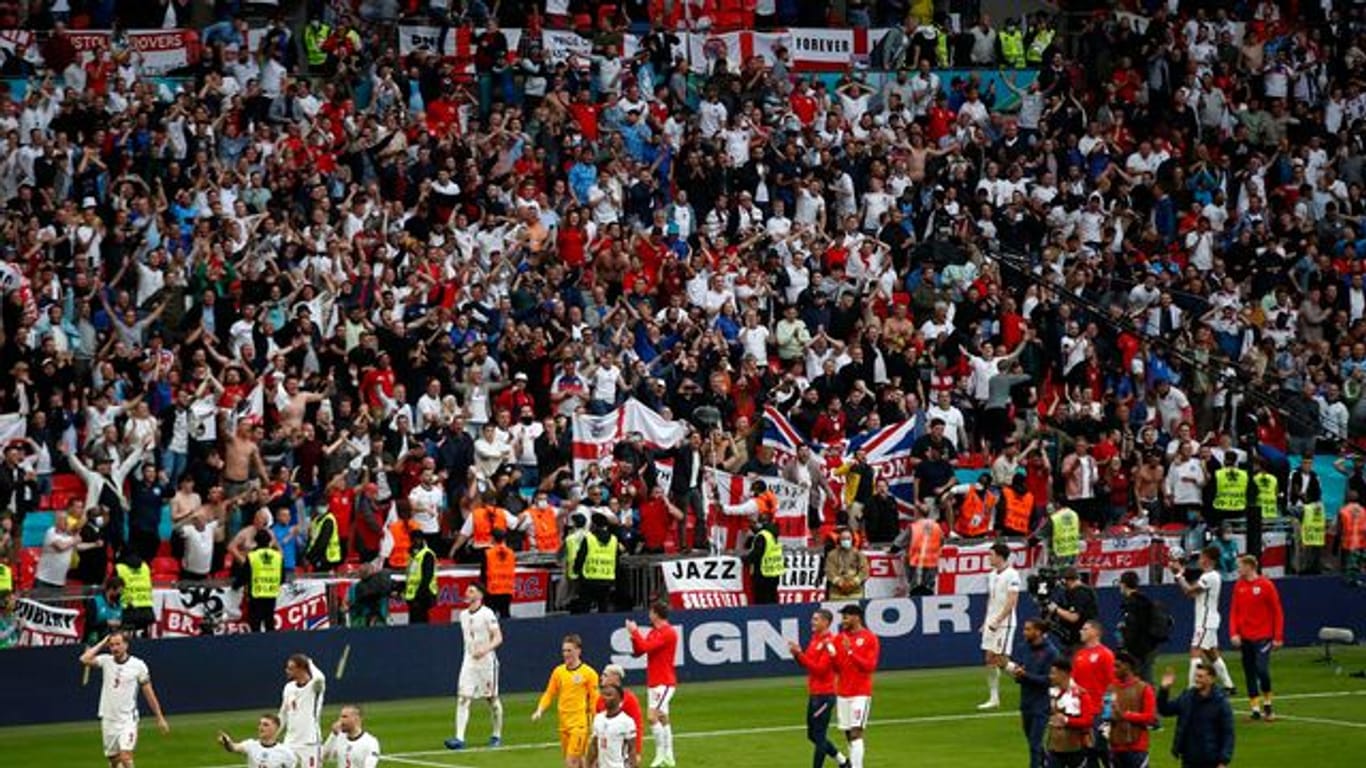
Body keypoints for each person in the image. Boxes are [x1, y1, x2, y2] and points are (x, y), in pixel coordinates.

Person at [79, 632, 170, 768]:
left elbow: (149, 693)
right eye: (111, 645)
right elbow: (84, 659)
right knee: (114, 760)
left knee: (126, 756)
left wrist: (159, 717)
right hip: (109, 718)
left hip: (128, 719)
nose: (114, 648)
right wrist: (103, 642)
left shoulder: (138, 665)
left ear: (126, 645)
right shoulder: (105, 661)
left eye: (118, 644)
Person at [788, 608, 850, 768]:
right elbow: (808, 664)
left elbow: (820, 670)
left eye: (816, 619)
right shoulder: (815, 639)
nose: (812, 622)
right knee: (812, 735)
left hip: (825, 695)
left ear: (825, 622)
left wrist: (800, 655)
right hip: (815, 694)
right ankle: (843, 762)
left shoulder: (831, 642)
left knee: (819, 735)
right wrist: (797, 654)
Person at [446, 583, 505, 750]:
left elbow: (498, 637)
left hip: (487, 663)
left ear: (480, 595)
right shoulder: (463, 615)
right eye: (467, 590)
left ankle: (496, 735)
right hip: (469, 662)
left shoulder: (487, 614)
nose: (467, 593)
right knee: (463, 697)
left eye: (471, 590)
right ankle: (459, 738)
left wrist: (485, 650)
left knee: (492, 699)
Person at [1171, 546, 1236, 692]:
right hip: (1208, 620)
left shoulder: (1209, 577)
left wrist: (1179, 575)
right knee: (1212, 653)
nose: (1199, 560)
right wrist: (1180, 574)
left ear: (1208, 559)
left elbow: (1189, 591)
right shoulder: (1210, 576)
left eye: (1201, 557)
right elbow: (1193, 594)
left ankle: (1192, 687)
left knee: (1195, 650)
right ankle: (1229, 685)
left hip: (1205, 621)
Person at [1228, 554, 1284, 720]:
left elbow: (1277, 612)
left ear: (1249, 567)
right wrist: (1233, 633)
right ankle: (1255, 709)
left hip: (1263, 636)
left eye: (1240, 566)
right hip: (1245, 636)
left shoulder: (1266, 585)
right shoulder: (1239, 586)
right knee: (1249, 672)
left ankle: (1268, 703)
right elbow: (1234, 611)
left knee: (1261, 669)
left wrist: (1278, 636)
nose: (1238, 569)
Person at [533, 634, 601, 768]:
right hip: (563, 724)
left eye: (569, 650)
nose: (566, 654)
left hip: (579, 725)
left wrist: (596, 722)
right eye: (564, 651)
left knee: (570, 763)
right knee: (581, 761)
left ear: (578, 651)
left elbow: (594, 700)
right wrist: (540, 710)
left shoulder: (589, 673)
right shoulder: (558, 672)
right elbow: (549, 693)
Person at [625, 601, 679, 768]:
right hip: (654, 681)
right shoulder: (654, 632)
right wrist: (632, 636)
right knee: (663, 717)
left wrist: (634, 631)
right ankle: (669, 756)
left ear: (655, 614)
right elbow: (639, 651)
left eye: (651, 612)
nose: (649, 614)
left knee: (652, 716)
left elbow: (645, 646)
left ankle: (660, 754)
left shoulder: (668, 633)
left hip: (665, 682)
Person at [1005, 618, 1060, 768]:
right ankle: (1047, 762)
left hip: (1042, 704)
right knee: (1032, 741)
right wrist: (1015, 673)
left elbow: (1051, 680)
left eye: (1028, 629)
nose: (1024, 632)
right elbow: (1021, 672)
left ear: (1039, 632)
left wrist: (1025, 675)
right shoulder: (1023, 648)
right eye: (1024, 629)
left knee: (1035, 744)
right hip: (1026, 702)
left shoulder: (1051, 652)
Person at [1157, 663, 1235, 768]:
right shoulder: (1187, 697)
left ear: (1211, 679)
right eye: (1196, 676)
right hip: (1189, 759)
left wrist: (1223, 761)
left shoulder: (1221, 703)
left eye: (1200, 676)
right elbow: (1165, 710)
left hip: (1211, 760)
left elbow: (1228, 733)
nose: (1196, 680)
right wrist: (1164, 690)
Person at [833, 604, 879, 768]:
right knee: (847, 733)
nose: (843, 619)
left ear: (857, 617)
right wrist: (832, 656)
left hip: (860, 693)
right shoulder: (839, 638)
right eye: (842, 615)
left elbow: (870, 666)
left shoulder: (869, 638)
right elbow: (838, 668)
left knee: (856, 732)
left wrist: (851, 651)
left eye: (846, 615)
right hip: (843, 692)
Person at [979, 542, 1021, 710]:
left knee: (1000, 660)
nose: (989, 557)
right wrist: (986, 621)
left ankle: (1028, 678)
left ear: (999, 556)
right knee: (989, 659)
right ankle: (994, 698)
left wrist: (998, 620)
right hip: (992, 622)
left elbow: (1012, 601)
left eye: (991, 554)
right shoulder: (991, 575)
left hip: (1004, 623)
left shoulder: (1012, 575)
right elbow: (991, 599)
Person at [1070, 620, 1115, 767]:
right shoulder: (1079, 655)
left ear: (1095, 632)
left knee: (1102, 750)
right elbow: (1074, 683)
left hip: (1099, 712)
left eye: (1085, 628)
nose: (1080, 631)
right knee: (1087, 751)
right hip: (1083, 712)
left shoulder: (1105, 654)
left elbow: (1112, 685)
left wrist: (1108, 714)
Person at [1106, 652, 1158, 768]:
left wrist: (1125, 715)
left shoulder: (1144, 688)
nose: (1114, 670)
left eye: (1117, 666)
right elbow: (1106, 714)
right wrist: (1109, 716)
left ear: (1127, 667)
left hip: (1137, 748)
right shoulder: (1110, 688)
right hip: (1115, 747)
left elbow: (1150, 718)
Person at [1045, 659, 1097, 768]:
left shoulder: (1081, 695)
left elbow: (1088, 721)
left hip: (1075, 750)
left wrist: (1067, 721)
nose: (1050, 676)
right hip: (1054, 749)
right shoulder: (1051, 694)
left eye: (1053, 673)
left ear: (1064, 674)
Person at [1117, 571, 1167, 683]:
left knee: (1143, 680)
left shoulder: (1133, 603)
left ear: (1124, 584)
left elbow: (1134, 628)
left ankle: (1151, 700)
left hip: (1141, 649)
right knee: (1142, 678)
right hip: (1148, 646)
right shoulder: (1142, 600)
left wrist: (1126, 646)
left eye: (1120, 583)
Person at [279, 654, 327, 768]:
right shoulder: (288, 688)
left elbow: (320, 678)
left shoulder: (314, 687)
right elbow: (283, 714)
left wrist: (309, 663)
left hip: (310, 742)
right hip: (290, 741)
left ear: (301, 669)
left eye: (291, 668)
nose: (287, 671)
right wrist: (273, 735)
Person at [596, 665, 645, 759]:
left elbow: (637, 726)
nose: (601, 677)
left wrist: (637, 752)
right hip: (605, 752)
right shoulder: (600, 700)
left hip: (623, 750)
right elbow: (597, 729)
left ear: (615, 677)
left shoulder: (629, 699)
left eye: (605, 675)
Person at [1045, 566, 1098, 653]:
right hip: (1073, 639)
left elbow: (1074, 617)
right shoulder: (1070, 593)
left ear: (1065, 580)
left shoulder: (1081, 593)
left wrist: (1056, 609)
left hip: (1082, 640)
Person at [574, 513, 620, 613]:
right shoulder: (614, 540)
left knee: (584, 609)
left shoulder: (589, 538)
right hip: (607, 579)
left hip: (589, 579)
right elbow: (617, 560)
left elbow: (581, 557)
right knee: (604, 609)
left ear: (594, 525)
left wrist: (577, 571)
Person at [587, 682, 638, 768]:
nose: (605, 698)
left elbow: (632, 750)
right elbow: (594, 745)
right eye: (604, 695)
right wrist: (588, 765)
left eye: (609, 695)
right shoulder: (598, 718)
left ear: (620, 699)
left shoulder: (626, 722)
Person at [216, 714, 296, 768]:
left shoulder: (286, 753)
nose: (261, 727)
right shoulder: (251, 745)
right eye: (260, 724)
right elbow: (233, 748)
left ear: (276, 728)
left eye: (265, 725)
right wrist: (227, 742)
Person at [745, 512, 785, 605]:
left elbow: (757, 554)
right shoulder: (773, 533)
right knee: (772, 598)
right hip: (774, 572)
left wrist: (745, 559)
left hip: (762, 573)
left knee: (761, 601)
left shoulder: (762, 536)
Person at [247, 531, 283, 632]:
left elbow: (245, 574)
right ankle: (271, 646)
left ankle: (256, 646)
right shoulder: (277, 556)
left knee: (255, 623)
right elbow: (282, 577)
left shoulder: (252, 556)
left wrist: (235, 586)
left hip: (256, 594)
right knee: (269, 623)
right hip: (271, 593)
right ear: (269, 541)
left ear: (256, 541)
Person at [824, 527, 870, 599]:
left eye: (848, 538)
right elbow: (829, 570)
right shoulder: (832, 555)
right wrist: (840, 583)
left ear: (852, 540)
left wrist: (853, 582)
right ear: (839, 540)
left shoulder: (859, 554)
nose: (846, 541)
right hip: (836, 592)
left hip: (856, 592)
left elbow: (864, 571)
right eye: (843, 539)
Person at [482, 528, 517, 619]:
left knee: (490, 619)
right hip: (507, 589)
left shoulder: (488, 553)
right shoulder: (511, 553)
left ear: (492, 538)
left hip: (492, 590)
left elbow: (483, 574)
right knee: (505, 615)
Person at [405, 530, 438, 624]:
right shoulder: (413, 556)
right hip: (412, 595)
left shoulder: (427, 554)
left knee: (420, 624)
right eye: (413, 540)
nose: (415, 542)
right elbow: (411, 576)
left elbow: (427, 577)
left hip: (423, 595)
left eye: (417, 539)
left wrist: (418, 596)